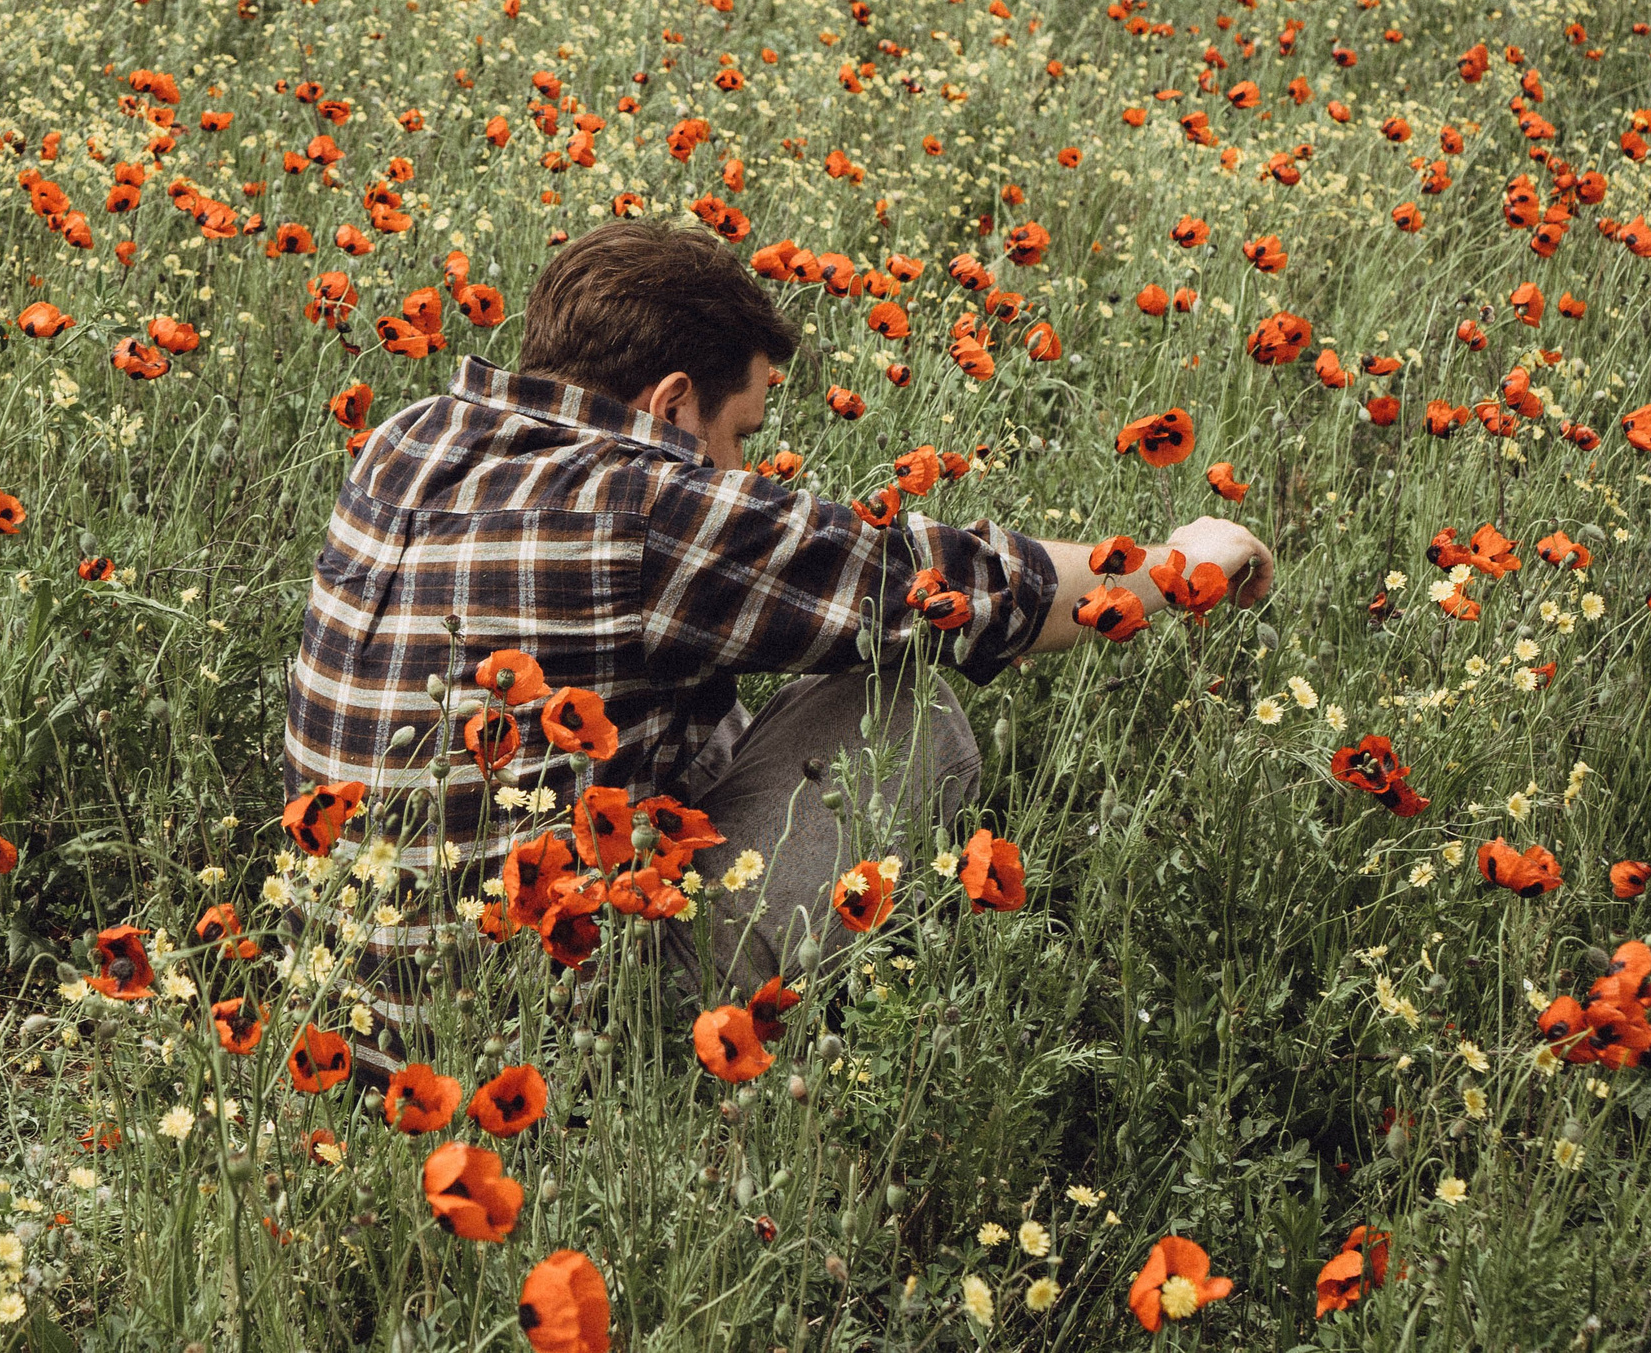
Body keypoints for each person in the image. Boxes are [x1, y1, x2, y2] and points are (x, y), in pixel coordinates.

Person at [283, 221, 1271, 1072]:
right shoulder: (643, 511)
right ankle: (725, 1067)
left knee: (721, 684)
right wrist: (1180, 565)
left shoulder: (411, 437)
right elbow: (953, 587)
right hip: (537, 1038)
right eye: (742, 431)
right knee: (903, 707)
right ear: (672, 404)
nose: (742, 465)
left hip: (341, 1015)